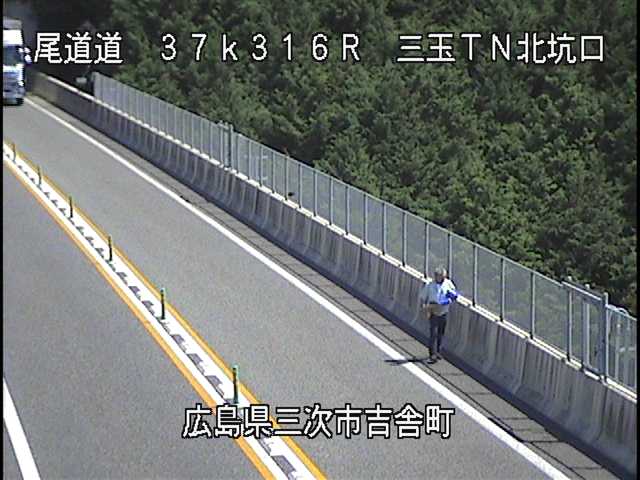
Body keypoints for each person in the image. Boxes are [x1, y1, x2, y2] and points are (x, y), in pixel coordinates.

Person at [418, 267, 458, 363]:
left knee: (441, 333)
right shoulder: (430, 286)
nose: (442, 278)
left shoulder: (448, 283)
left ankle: (438, 351)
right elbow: (423, 297)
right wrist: (425, 307)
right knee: (433, 333)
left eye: (443, 276)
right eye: (440, 276)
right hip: (434, 311)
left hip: (443, 311)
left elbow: (454, 294)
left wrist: (450, 298)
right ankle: (432, 354)